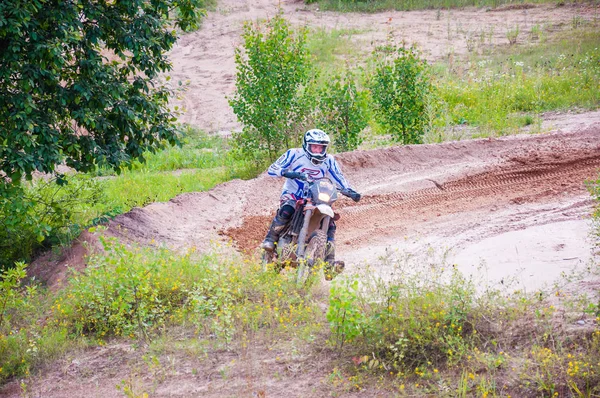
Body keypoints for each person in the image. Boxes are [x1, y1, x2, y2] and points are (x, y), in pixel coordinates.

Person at [260, 128, 361, 267]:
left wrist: (350, 191)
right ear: (307, 145)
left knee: (331, 222)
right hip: (293, 193)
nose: (318, 151)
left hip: (317, 197)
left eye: (321, 148)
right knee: (287, 209)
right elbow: (273, 169)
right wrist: (288, 173)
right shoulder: (294, 154)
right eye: (314, 146)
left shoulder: (329, 160)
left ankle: (329, 263)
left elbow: (339, 178)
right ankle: (270, 239)